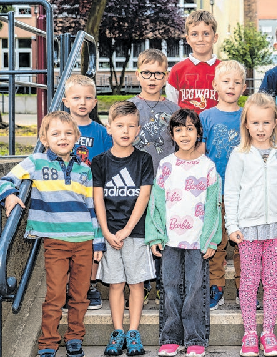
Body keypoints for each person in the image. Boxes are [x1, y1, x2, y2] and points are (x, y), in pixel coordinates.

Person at [0, 111, 104, 357]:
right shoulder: (36, 162)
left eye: (68, 133)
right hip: (56, 241)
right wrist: (10, 195)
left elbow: (92, 208)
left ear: (77, 137)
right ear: (44, 138)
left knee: (80, 293)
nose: (62, 138)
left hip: (84, 240)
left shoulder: (84, 170)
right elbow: (6, 179)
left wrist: (97, 243)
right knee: (55, 294)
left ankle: (75, 337)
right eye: (55, 134)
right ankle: (48, 343)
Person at [224, 93, 277, 357]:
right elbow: (231, 192)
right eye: (255, 123)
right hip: (249, 229)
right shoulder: (240, 155)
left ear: (275, 123)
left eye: (266, 123)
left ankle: (268, 331)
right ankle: (249, 333)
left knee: (271, 281)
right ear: (246, 124)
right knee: (249, 281)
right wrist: (231, 224)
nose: (261, 128)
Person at [145, 109, 222, 357]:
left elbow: (213, 205)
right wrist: (156, 235)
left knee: (195, 291)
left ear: (198, 132)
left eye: (190, 128)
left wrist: (212, 239)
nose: (185, 133)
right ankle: (170, 336)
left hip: (197, 240)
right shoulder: (166, 166)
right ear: (172, 134)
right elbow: (156, 202)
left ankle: (195, 338)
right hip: (170, 240)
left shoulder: (207, 167)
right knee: (169, 287)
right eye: (179, 129)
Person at [92, 101, 155, 356]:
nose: (125, 131)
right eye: (119, 125)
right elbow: (97, 199)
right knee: (116, 284)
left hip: (136, 233)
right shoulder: (100, 162)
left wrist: (127, 229)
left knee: (137, 283)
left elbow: (144, 197)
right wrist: (106, 232)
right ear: (109, 128)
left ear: (138, 129)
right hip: (110, 233)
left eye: (131, 126)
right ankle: (117, 331)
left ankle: (134, 332)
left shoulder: (144, 160)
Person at [129, 48, 179, 306]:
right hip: (136, 181)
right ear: (138, 74)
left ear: (165, 77)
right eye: (147, 73)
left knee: (162, 233)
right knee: (138, 234)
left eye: (158, 74)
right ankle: (141, 283)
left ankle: (162, 283)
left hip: (165, 183)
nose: (152, 78)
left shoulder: (173, 108)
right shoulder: (128, 107)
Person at [63, 74, 112, 311]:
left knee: (93, 242)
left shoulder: (101, 132)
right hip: (67, 196)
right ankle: (68, 287)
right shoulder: (61, 129)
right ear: (65, 101)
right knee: (68, 243)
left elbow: (106, 163)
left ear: (94, 103)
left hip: (93, 196)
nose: (82, 102)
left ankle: (90, 285)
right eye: (76, 97)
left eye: (88, 98)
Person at [200, 60, 247, 310]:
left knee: (243, 244)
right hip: (215, 192)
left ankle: (244, 288)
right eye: (226, 81)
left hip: (242, 192)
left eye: (237, 82)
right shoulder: (206, 117)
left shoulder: (247, 116)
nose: (231, 86)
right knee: (216, 243)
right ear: (215, 84)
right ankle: (215, 287)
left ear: (244, 87)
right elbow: (200, 152)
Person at [166, 10, 221, 114]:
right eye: (194, 34)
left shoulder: (224, 69)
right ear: (188, 39)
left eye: (206, 33)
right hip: (187, 128)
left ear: (215, 37)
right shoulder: (177, 70)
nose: (200, 39)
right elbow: (173, 108)